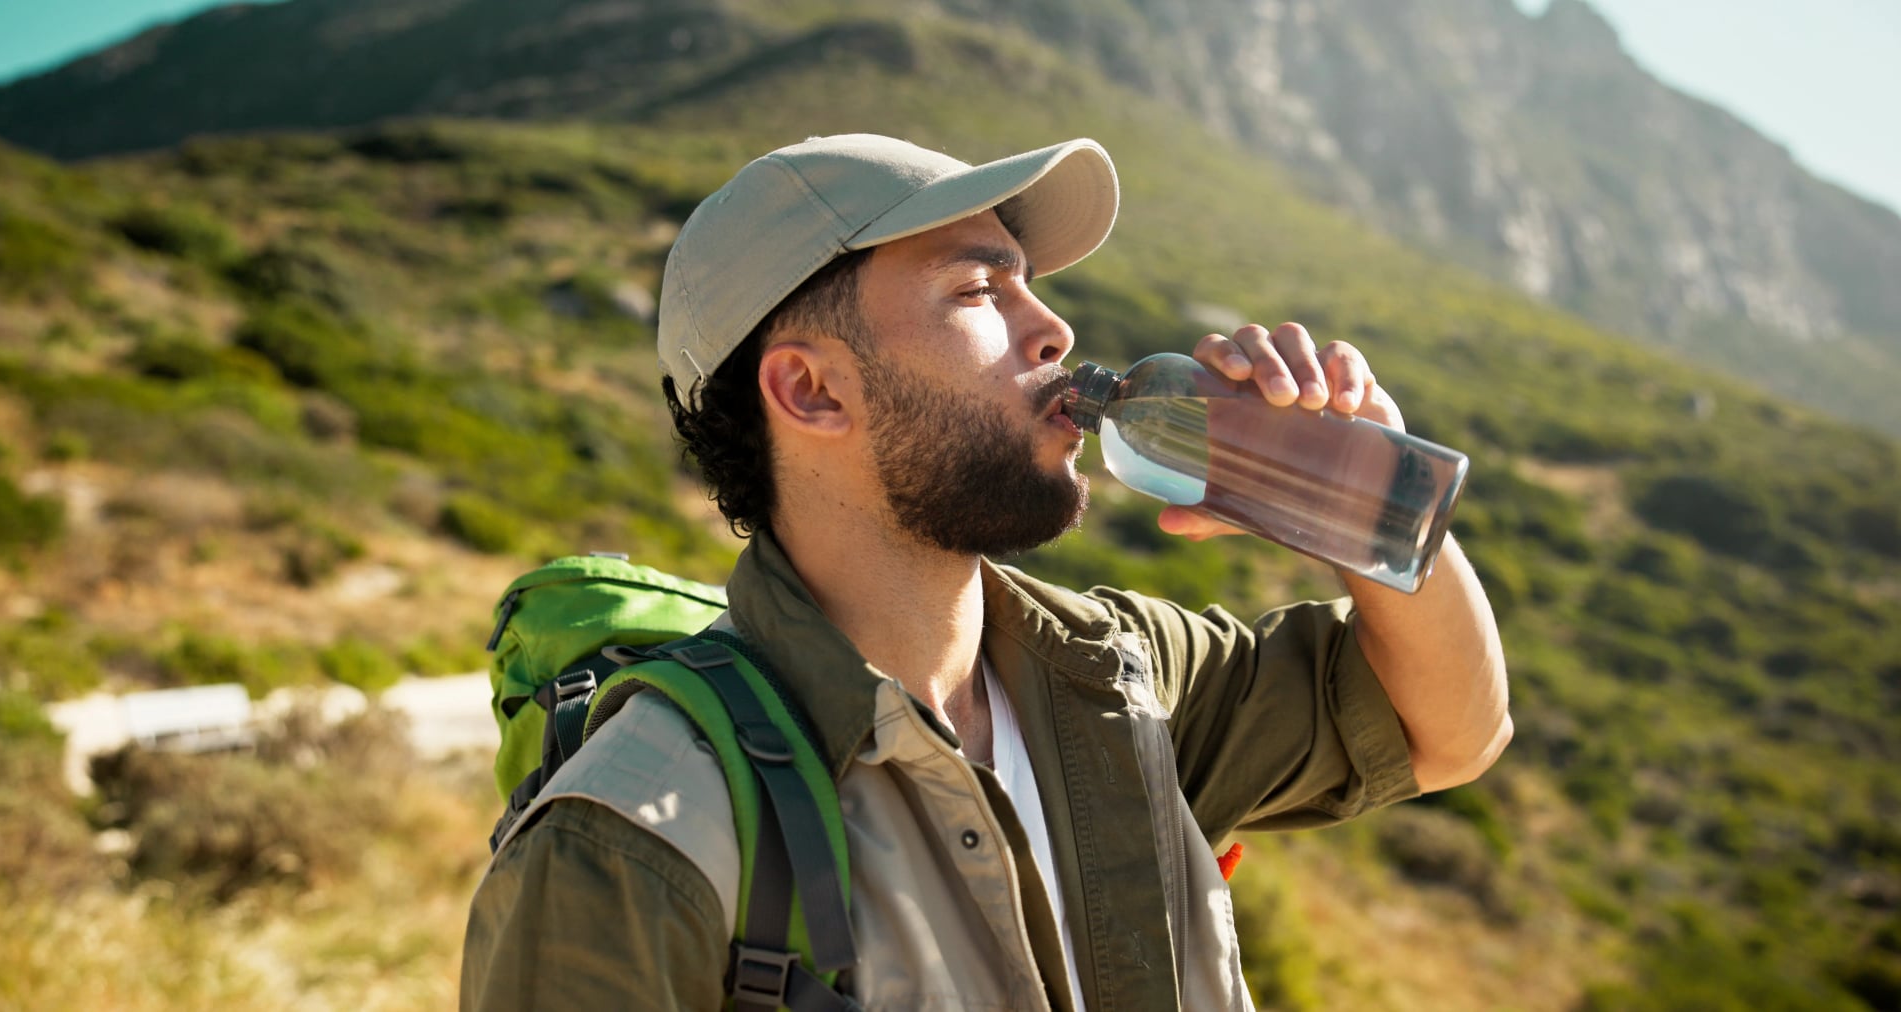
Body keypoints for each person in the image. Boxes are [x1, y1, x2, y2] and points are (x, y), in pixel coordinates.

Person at [461, 133, 1510, 1011]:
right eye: (979, 287)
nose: (1053, 326)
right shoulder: (631, 841)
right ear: (813, 391)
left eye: (1031, 285)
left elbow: (1450, 733)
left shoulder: (1125, 677)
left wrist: (1373, 494)